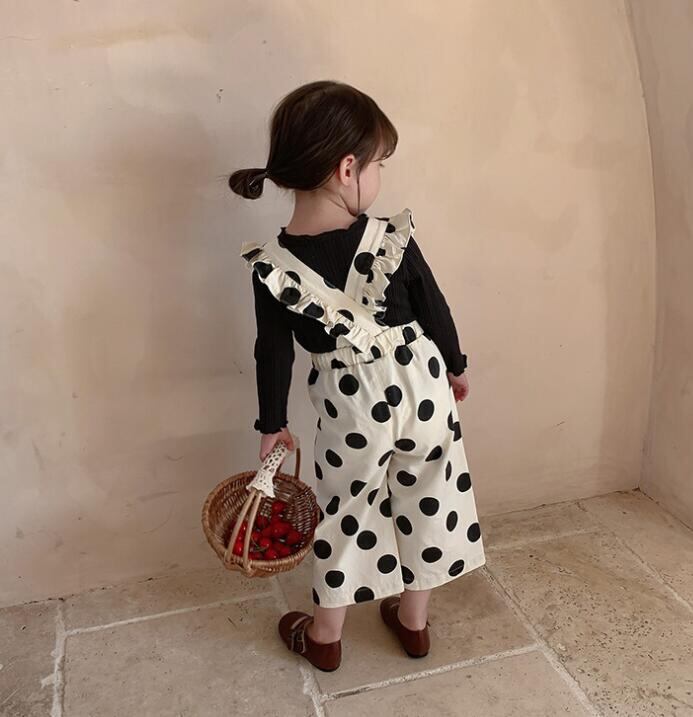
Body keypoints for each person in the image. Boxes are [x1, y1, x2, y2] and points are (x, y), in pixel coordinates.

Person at [229, 80, 486, 672]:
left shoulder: (273, 265)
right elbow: (434, 307)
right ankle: (413, 623)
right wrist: (455, 365)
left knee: (348, 511)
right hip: (422, 385)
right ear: (348, 169)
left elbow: (273, 351)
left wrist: (272, 424)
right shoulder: (390, 237)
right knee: (431, 494)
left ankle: (325, 635)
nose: (380, 177)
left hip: (350, 404)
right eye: (379, 165)